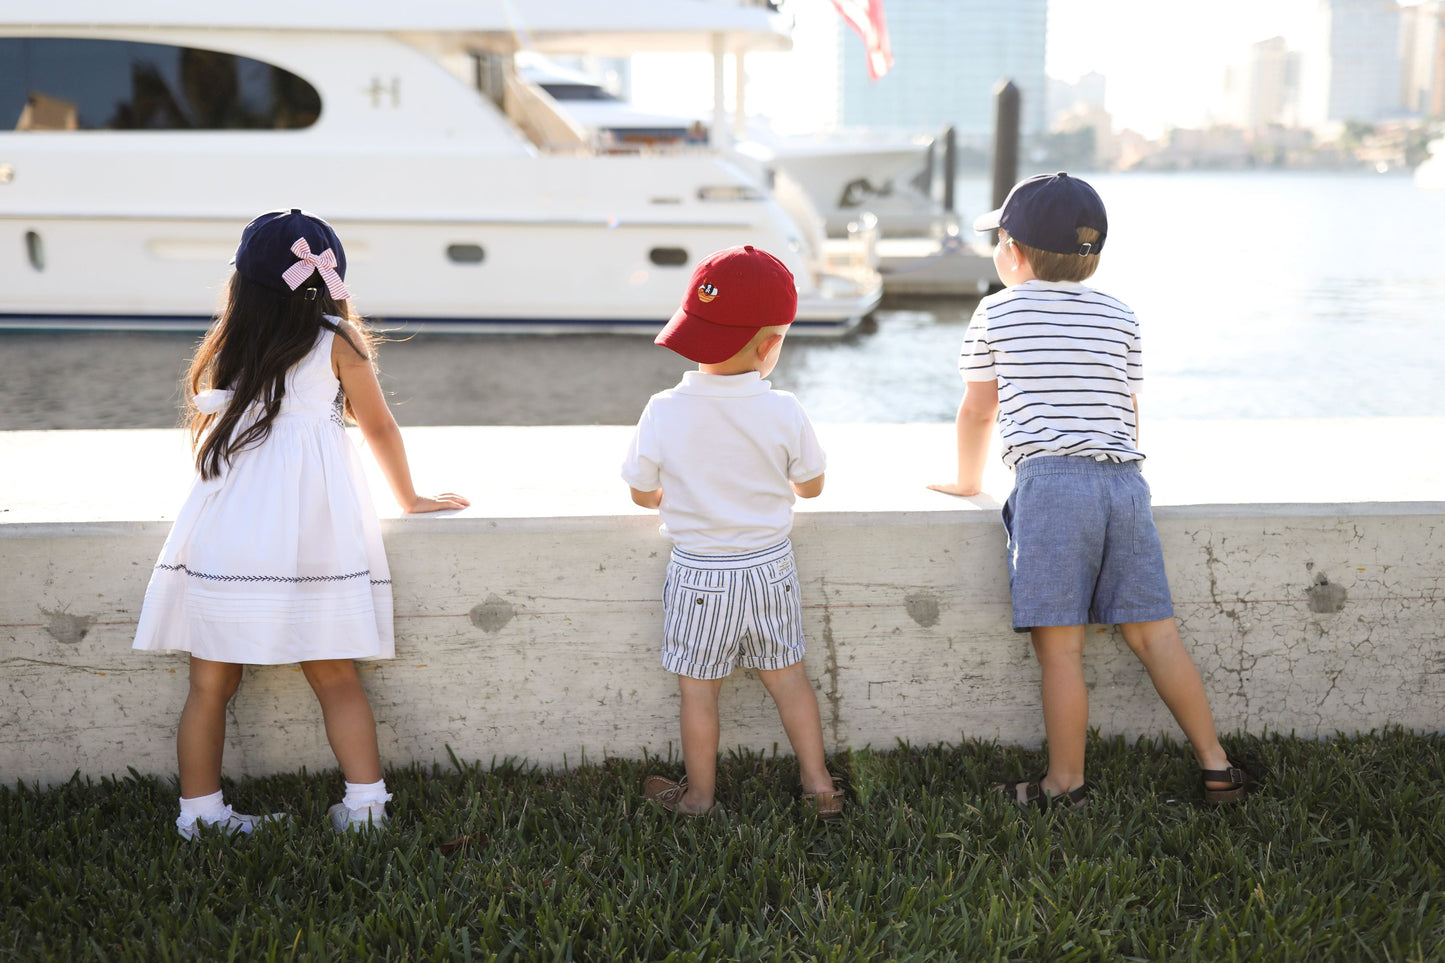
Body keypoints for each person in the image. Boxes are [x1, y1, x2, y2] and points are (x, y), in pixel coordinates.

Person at [132, 209, 469, 840]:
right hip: (315, 533)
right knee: (336, 672)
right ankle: (366, 807)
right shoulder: (336, 341)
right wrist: (411, 497)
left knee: (208, 683)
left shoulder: (233, 344)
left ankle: (201, 815)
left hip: (230, 530)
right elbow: (378, 427)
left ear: (243, 285)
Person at [928, 173, 1255, 809]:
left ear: (1012, 253)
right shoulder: (1121, 314)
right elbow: (1128, 409)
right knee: (1157, 634)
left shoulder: (996, 310)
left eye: (998, 238)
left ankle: (1065, 783)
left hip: (1051, 486)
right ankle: (1217, 766)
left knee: (1062, 649)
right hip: (1124, 484)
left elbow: (977, 410)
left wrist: (969, 481)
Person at [621, 245, 843, 819]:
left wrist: (669, 494)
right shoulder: (785, 409)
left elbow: (641, 492)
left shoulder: (662, 409)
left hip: (699, 572)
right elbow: (811, 487)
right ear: (771, 347)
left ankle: (698, 798)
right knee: (789, 678)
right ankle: (819, 786)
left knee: (698, 690)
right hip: (770, 567)